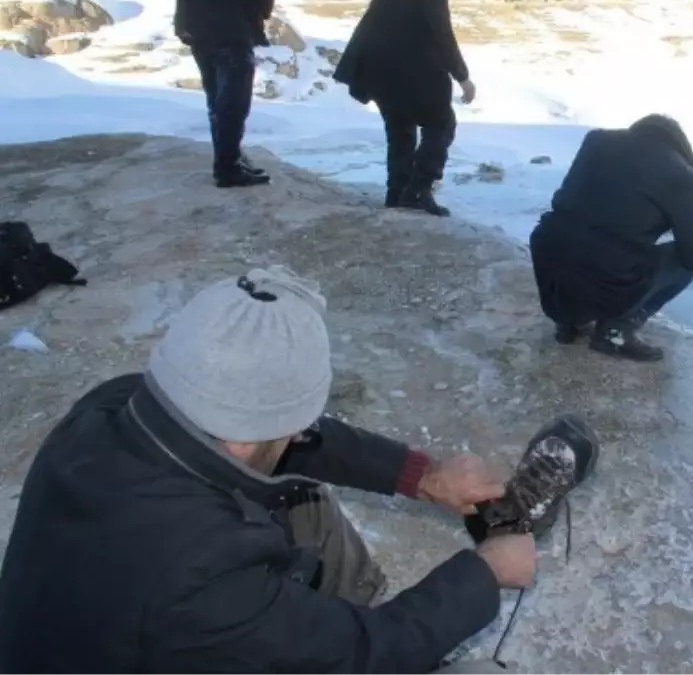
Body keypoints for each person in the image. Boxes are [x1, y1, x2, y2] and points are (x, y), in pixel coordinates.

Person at [0, 265, 543, 674]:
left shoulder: (118, 405)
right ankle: (330, 631)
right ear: (245, 434)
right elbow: (367, 655)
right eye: (294, 426)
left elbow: (281, 437)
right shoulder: (204, 576)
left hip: (107, 636)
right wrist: (485, 574)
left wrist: (421, 475)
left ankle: (339, 614)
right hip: (165, 634)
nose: (303, 435)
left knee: (302, 500)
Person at [529, 114, 693, 362]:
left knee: (578, 236)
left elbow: (571, 203)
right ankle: (616, 329)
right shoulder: (683, 177)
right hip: (604, 275)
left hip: (550, 261)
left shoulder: (596, 141)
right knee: (681, 261)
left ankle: (570, 321)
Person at [334, 0, 478, 218]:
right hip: (410, 68)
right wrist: (462, 75)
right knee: (441, 124)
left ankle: (396, 192)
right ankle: (416, 191)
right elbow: (440, 29)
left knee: (400, 128)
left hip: (376, 66)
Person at [165, 0, 276, 189]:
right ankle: (228, 168)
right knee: (234, 100)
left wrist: (195, 3)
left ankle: (228, 159)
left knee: (216, 96)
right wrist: (256, 11)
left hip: (195, 29)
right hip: (231, 30)